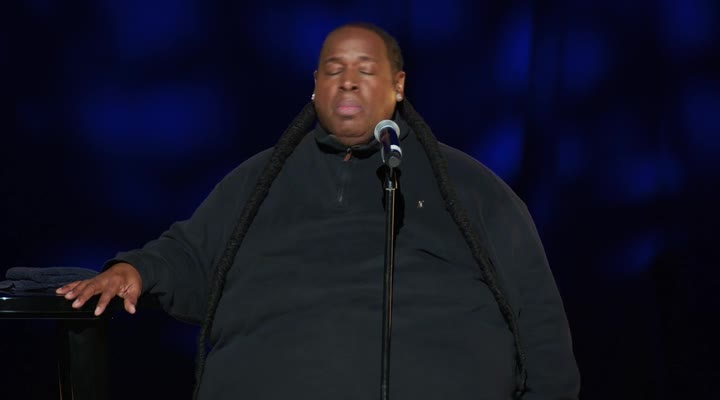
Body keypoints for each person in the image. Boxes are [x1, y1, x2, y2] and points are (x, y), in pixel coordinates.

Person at [57, 22, 580, 400]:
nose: (347, 80)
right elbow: (191, 255)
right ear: (315, 87)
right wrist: (135, 270)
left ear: (399, 85)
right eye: (333, 70)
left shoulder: (469, 188)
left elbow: (538, 323)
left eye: (365, 69)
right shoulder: (259, 180)